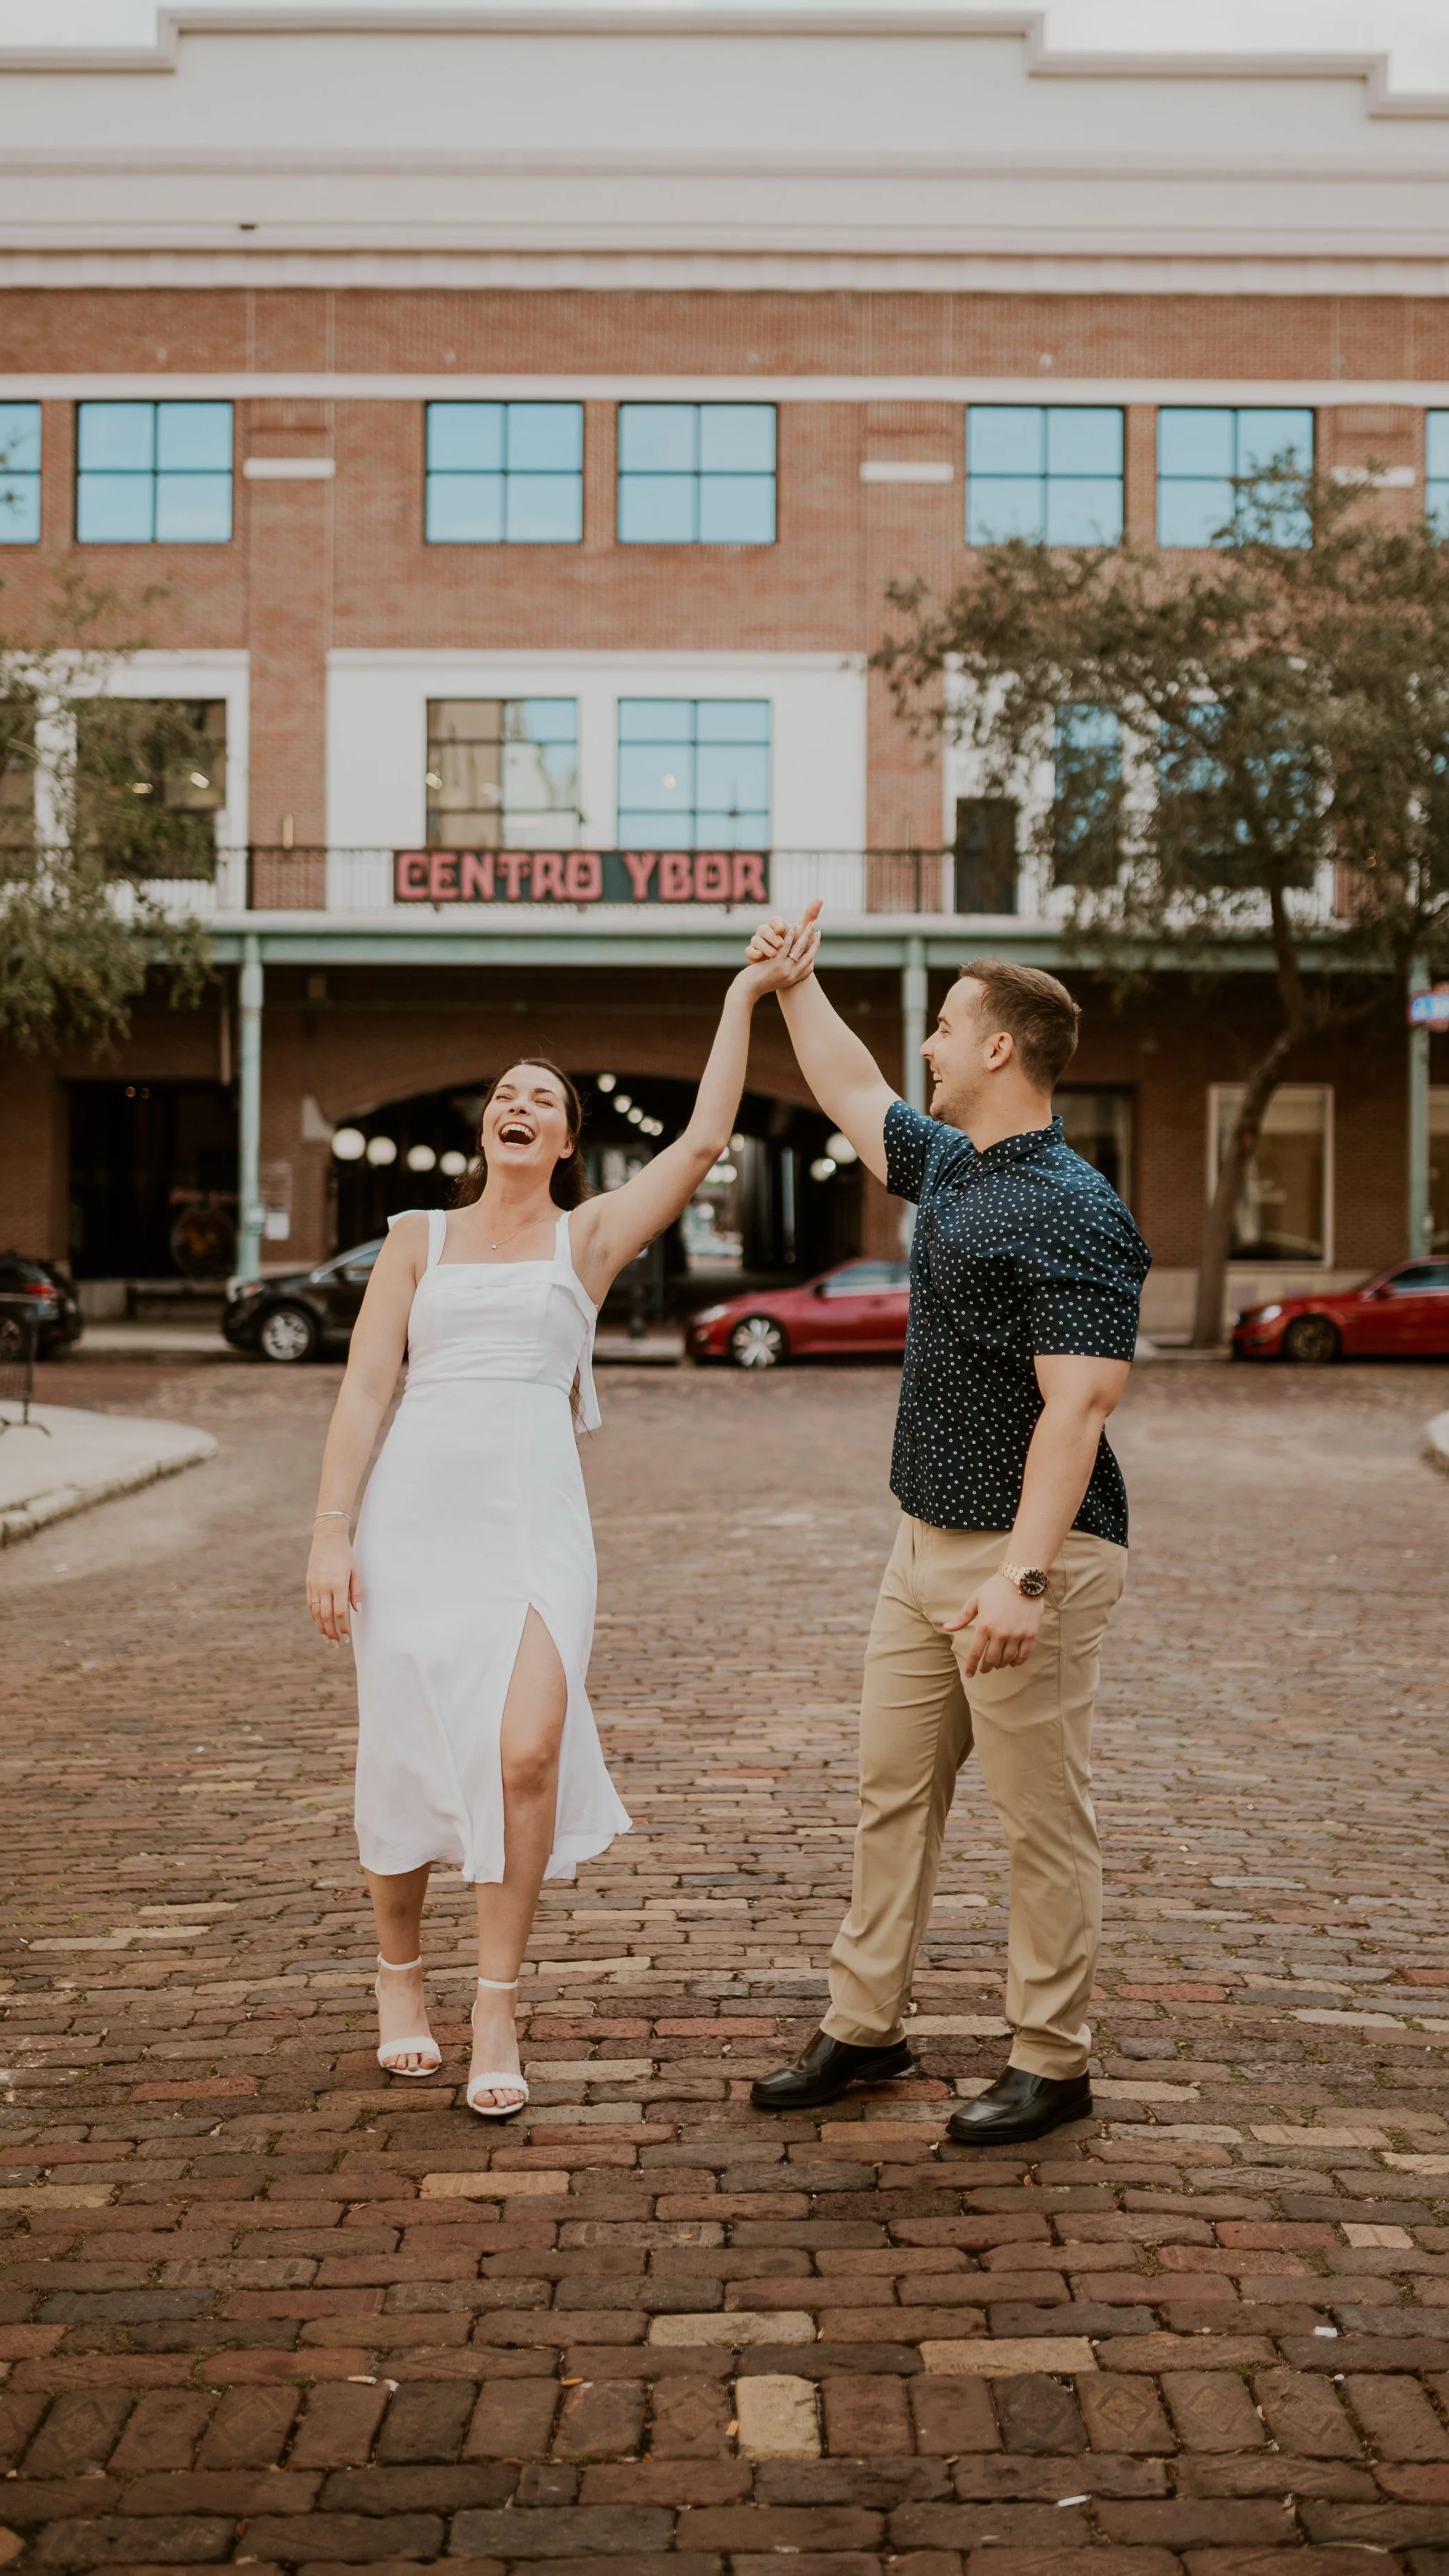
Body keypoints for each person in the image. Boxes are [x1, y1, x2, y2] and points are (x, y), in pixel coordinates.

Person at [305, 947, 803, 2115]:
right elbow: (367, 1390)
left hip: (534, 1516)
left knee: (527, 1744)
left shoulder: (584, 1241)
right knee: (404, 1744)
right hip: (413, 1515)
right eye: (503, 1094)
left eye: (543, 1098)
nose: (517, 1104)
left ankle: (496, 2001)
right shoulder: (416, 1235)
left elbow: (698, 1143)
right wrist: (332, 1532)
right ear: (484, 1128)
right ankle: (397, 1980)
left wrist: (739, 999)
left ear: (568, 1141)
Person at [744, 913, 1150, 2145]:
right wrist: (793, 988)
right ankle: (865, 2026)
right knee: (891, 1794)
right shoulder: (961, 1165)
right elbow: (856, 1089)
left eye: (945, 1026)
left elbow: (1078, 1406)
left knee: (1040, 1817)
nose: (925, 1045)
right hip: (921, 1543)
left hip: (1032, 1554)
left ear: (1002, 1050)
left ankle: (1052, 2057)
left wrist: (1024, 1579)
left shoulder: (1076, 1205)